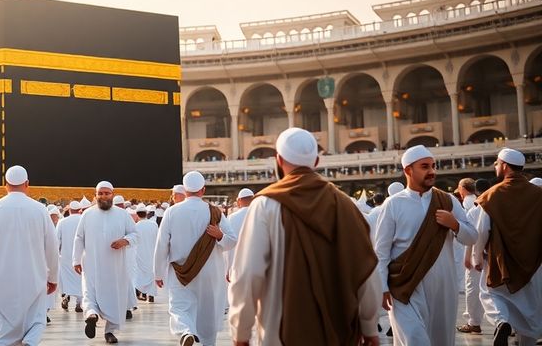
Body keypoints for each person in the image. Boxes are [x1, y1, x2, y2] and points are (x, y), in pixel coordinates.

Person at [228, 127, 381, 346]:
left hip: (279, 335)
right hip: (340, 333)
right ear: (316, 161)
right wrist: (369, 327)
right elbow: (366, 270)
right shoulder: (346, 205)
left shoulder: (265, 206)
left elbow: (248, 274)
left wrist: (240, 332)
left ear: (278, 160)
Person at [374, 145, 477, 345]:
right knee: (414, 339)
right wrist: (382, 286)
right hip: (405, 285)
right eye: (424, 166)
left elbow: (472, 237)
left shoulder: (447, 201)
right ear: (408, 170)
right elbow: (381, 250)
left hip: (442, 287)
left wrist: (455, 225)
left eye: (433, 166)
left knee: (441, 340)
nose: (431, 171)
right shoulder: (393, 204)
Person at [0, 165, 59, 346]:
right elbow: (51, 246)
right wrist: (53, 277)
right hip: (33, 277)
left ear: (6, 184)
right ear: (27, 184)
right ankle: (30, 341)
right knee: (36, 319)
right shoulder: (40, 210)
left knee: (2, 326)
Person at [156, 171, 237, 346]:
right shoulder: (215, 212)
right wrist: (220, 235)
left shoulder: (171, 212)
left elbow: (162, 245)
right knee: (207, 310)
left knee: (179, 307)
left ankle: (185, 331)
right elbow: (232, 242)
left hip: (180, 272)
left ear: (185, 190)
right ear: (203, 190)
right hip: (210, 272)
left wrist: (158, 273)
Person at [472, 148, 542, 345]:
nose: (496, 166)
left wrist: (477, 258)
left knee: (491, 294)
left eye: (497, 163)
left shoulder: (492, 194)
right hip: (534, 262)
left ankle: (502, 321)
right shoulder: (539, 194)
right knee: (529, 307)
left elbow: (482, 231)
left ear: (504, 165)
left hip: (500, 262)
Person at [74, 181, 138, 344]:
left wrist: (125, 241)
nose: (103, 196)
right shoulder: (87, 214)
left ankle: (109, 331)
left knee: (114, 297)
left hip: (115, 266)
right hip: (92, 264)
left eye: (106, 193)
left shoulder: (122, 214)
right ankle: (91, 315)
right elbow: (79, 237)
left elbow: (135, 234)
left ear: (112, 194)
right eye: (100, 193)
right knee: (89, 291)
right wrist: (76, 259)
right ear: (95, 195)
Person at [457, 178, 491, 335]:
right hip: (495, 254)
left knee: (473, 287)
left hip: (477, 252)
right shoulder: (497, 205)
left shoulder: (472, 206)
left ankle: (474, 322)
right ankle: (504, 322)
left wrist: (469, 257)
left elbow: (474, 233)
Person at [57, 199, 84, 312]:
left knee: (66, 279)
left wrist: (57, 253)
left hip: (66, 256)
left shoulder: (62, 222)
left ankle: (65, 297)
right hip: (81, 255)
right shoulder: (83, 220)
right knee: (80, 280)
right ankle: (79, 304)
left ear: (70, 210)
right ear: (80, 210)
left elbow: (56, 240)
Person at [134, 204, 159, 303]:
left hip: (140, 253)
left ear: (137, 215)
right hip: (152, 252)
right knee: (151, 274)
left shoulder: (135, 226)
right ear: (146, 214)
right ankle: (151, 296)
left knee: (140, 274)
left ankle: (142, 293)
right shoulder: (154, 225)